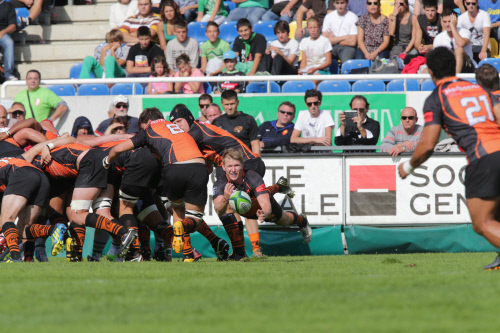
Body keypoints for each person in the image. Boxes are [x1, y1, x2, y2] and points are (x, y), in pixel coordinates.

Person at [397, 47, 500, 270]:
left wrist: (408, 165)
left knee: (482, 223)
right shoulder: (478, 89)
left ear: (430, 72)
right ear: (455, 67)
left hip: (484, 158)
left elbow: (427, 145)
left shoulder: (437, 98)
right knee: (496, 215)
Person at [105, 107, 209, 255]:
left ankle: (134, 252)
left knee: (126, 206)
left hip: (171, 168)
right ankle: (183, 251)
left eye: (142, 128)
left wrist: (106, 161)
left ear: (148, 123)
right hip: (198, 167)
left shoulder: (149, 131)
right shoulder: (176, 129)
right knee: (192, 217)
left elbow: (117, 149)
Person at [212, 149, 312, 257]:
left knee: (284, 221)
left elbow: (265, 203)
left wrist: (264, 213)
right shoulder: (220, 183)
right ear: (223, 167)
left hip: (258, 208)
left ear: (242, 165)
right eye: (229, 166)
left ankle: (302, 221)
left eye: (236, 165)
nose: (233, 170)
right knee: (227, 208)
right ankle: (239, 253)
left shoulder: (253, 177)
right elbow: (218, 209)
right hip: (245, 208)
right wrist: (225, 198)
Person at [212, 90, 263, 256]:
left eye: (232, 104)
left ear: (237, 102)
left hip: (245, 171)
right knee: (231, 209)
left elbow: (255, 147)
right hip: (225, 172)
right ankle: (239, 249)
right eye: (226, 104)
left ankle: (256, 249)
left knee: (248, 208)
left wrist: (254, 168)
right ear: (221, 103)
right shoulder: (217, 122)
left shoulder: (248, 120)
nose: (229, 107)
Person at [13, 70, 68, 134]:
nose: (32, 81)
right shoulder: (20, 94)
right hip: (22, 130)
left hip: (39, 130)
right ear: (26, 80)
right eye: (30, 78)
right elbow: (14, 113)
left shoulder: (46, 93)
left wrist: (49, 120)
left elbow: (63, 106)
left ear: (39, 80)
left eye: (35, 78)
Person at [433, 8, 476, 73]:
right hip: (448, 67)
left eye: (450, 21)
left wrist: (453, 26)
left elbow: (460, 44)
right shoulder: (438, 38)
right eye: (445, 22)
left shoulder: (465, 32)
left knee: (459, 50)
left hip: (467, 66)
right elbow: (436, 58)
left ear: (456, 21)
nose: (447, 24)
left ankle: (455, 78)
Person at [298, 17, 332, 88]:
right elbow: (304, 61)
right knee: (299, 81)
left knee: (313, 81)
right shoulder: (304, 41)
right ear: (307, 28)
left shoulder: (325, 41)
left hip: (322, 70)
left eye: (315, 27)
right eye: (310, 28)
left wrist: (315, 69)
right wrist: (301, 70)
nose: (313, 30)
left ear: (319, 27)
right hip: (308, 70)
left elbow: (328, 62)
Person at [322, 0, 358, 65]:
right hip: (331, 47)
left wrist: (333, 39)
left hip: (347, 48)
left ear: (347, 3)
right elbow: (324, 41)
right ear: (334, 4)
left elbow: (352, 42)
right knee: (321, 58)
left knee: (346, 63)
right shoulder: (329, 17)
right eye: (337, 3)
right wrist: (344, 37)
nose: (340, 6)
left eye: (342, 3)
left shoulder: (353, 17)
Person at [0, 0, 17, 82]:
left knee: (9, 42)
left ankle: (9, 74)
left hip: (2, 34)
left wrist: (3, 32)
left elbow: (13, 26)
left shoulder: (8, 6)